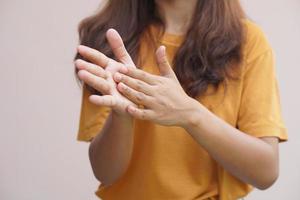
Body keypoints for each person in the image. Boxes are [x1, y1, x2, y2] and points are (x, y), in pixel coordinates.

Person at [73, 0, 288, 199]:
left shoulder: (248, 41)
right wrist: (121, 116)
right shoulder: (106, 39)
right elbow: (105, 172)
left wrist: (190, 114)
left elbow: (265, 172)